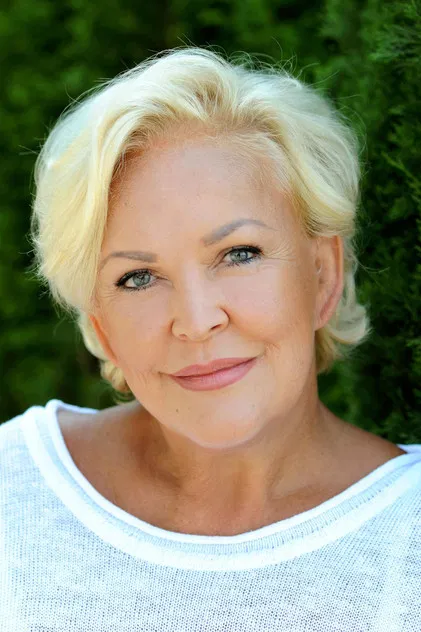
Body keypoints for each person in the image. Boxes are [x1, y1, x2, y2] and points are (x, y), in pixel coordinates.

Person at [1, 47, 420, 631]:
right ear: (101, 326)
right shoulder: (13, 492)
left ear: (322, 274)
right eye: (137, 277)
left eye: (238, 254)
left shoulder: (408, 533)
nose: (196, 321)